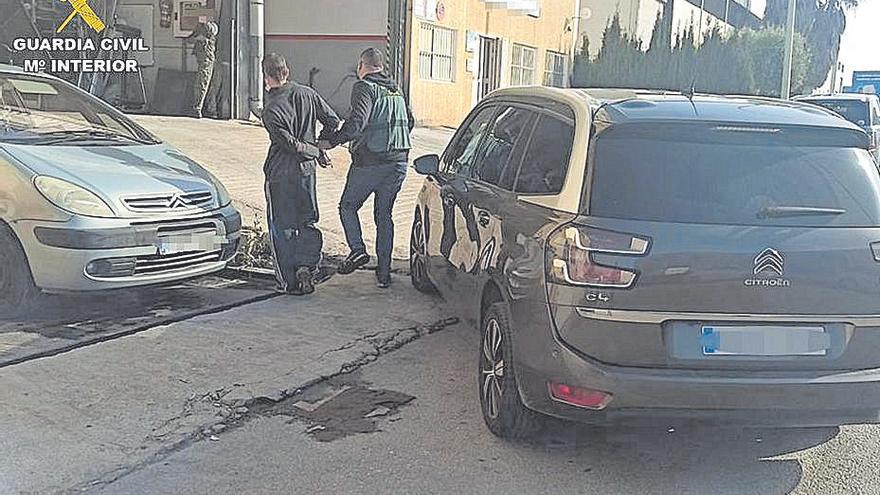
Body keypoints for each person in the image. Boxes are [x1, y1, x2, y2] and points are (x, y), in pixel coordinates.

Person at [321, 48, 415, 289]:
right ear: (380, 66)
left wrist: (333, 141)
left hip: (370, 162)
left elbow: (356, 122)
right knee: (384, 215)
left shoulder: (363, 87)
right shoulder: (395, 89)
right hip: (398, 163)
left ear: (362, 65)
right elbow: (409, 121)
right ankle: (384, 273)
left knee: (348, 206)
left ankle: (357, 250)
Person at [261, 53, 341, 294]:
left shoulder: (271, 110)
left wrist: (314, 150)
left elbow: (290, 144)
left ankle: (289, 281)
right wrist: (321, 145)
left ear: (266, 77)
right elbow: (333, 120)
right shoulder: (307, 93)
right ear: (287, 71)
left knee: (282, 226)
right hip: (306, 172)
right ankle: (307, 267)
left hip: (280, 173)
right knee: (307, 220)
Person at [188, 21, 218, 118]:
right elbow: (191, 39)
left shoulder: (207, 37)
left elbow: (192, 39)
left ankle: (198, 108)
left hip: (206, 61)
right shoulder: (204, 36)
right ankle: (209, 109)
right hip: (205, 61)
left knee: (202, 84)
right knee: (206, 85)